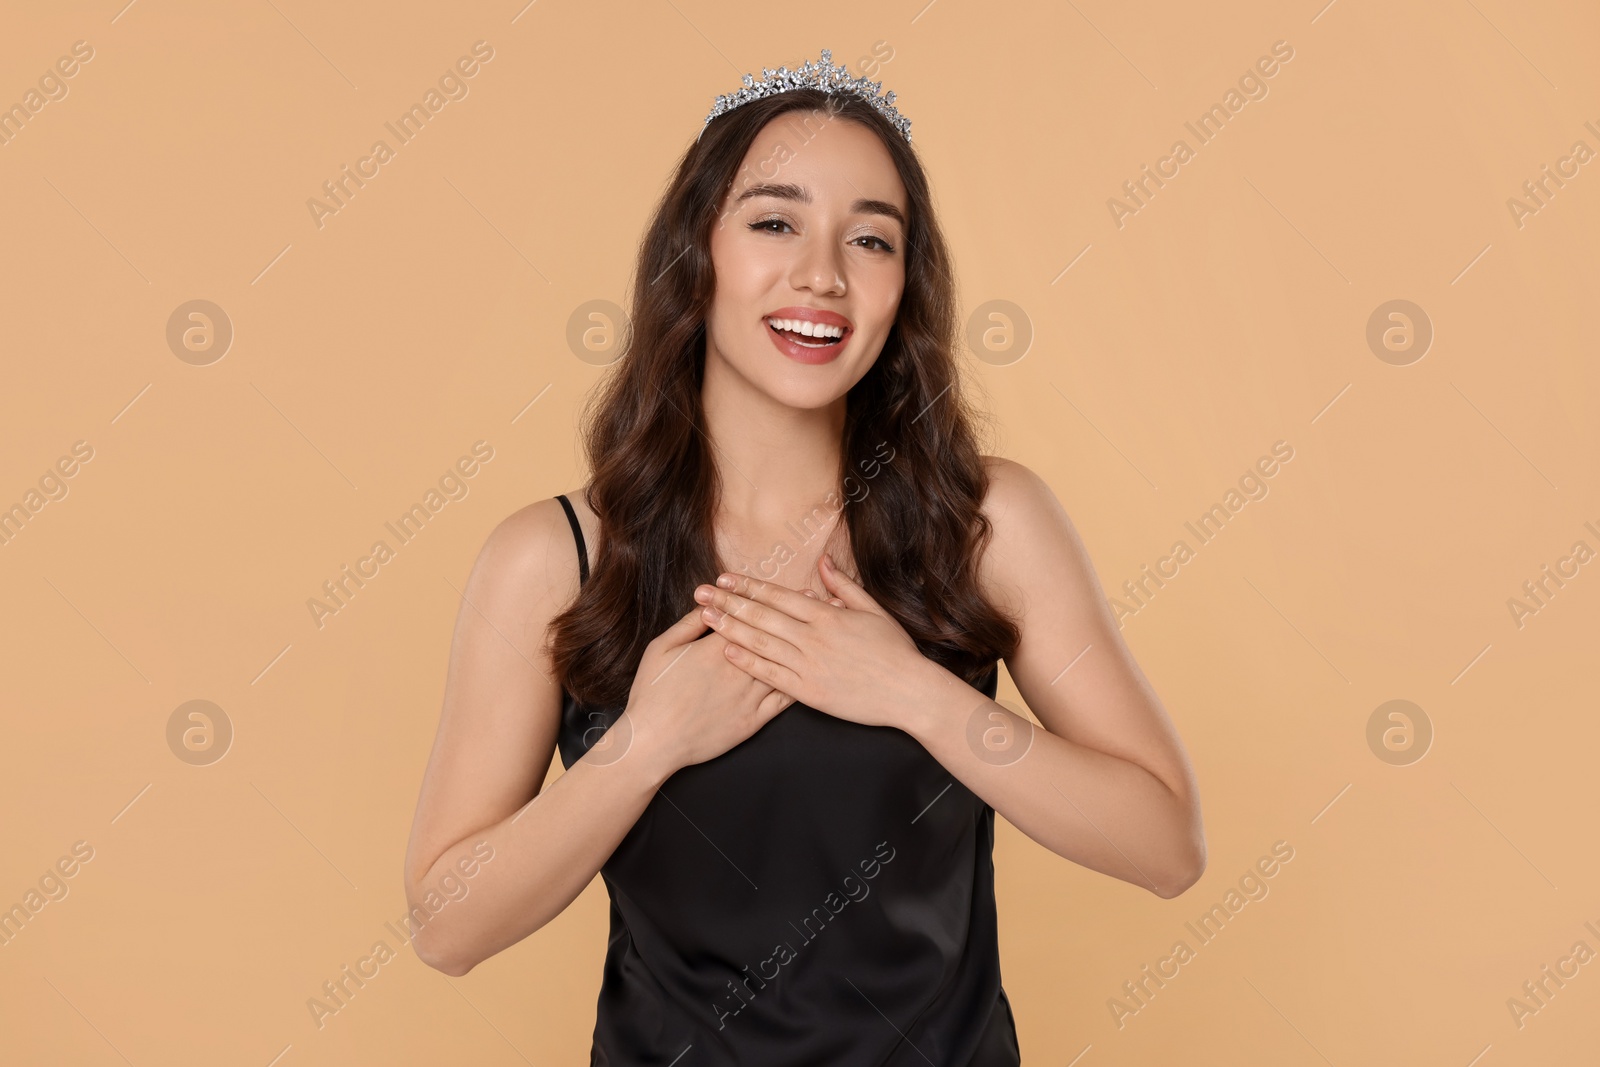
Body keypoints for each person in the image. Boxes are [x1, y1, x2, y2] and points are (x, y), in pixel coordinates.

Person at [403, 49, 1205, 1066]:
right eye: (774, 220)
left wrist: (917, 694)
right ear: (696, 250)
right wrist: (642, 745)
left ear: (902, 284)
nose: (822, 273)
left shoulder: (984, 520)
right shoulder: (555, 557)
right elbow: (445, 926)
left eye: (870, 238)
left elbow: (1166, 846)